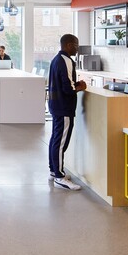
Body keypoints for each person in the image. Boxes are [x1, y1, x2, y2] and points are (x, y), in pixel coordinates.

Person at [47, 33, 87, 191]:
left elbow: (62, 82)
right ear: (69, 45)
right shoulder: (67, 61)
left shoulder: (56, 59)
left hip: (55, 105)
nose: (77, 49)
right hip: (64, 107)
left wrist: (76, 84)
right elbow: (68, 89)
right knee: (61, 141)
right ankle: (59, 176)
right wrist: (80, 87)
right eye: (76, 45)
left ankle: (53, 170)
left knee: (55, 139)